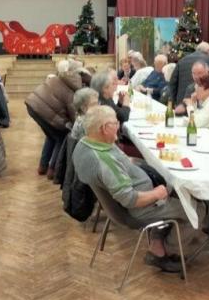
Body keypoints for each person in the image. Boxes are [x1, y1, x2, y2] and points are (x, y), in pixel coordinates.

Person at [73, 105, 188, 273]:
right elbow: (130, 199)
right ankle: (164, 253)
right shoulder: (105, 161)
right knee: (195, 210)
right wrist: (156, 193)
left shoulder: (84, 144)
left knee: (174, 186)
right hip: (139, 209)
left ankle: (157, 243)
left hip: (133, 199)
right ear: (105, 128)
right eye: (115, 122)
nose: (119, 125)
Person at [24, 66, 82, 177]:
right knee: (61, 136)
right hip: (43, 111)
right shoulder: (72, 91)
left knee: (51, 136)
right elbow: (73, 114)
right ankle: (53, 169)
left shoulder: (57, 78)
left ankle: (42, 166)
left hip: (33, 105)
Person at [168, 41, 209, 106]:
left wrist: (173, 102)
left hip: (183, 102)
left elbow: (173, 83)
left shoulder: (182, 60)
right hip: (202, 102)